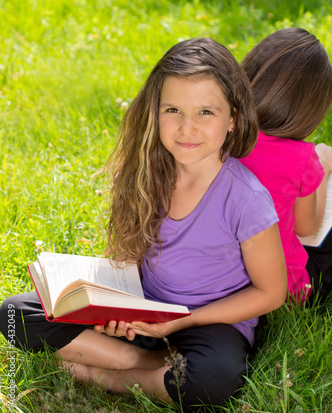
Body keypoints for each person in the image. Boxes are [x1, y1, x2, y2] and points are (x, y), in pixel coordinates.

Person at [0, 38, 287, 412]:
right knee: (11, 314)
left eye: (205, 113)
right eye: (173, 110)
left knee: (213, 380)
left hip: (210, 322)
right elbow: (129, 256)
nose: (187, 128)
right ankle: (145, 364)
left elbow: (271, 292)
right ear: (154, 111)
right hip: (147, 310)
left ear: (232, 118)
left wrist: (182, 323)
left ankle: (105, 373)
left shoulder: (246, 199)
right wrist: (115, 309)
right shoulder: (144, 174)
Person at [240, 27, 332, 303]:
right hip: (288, 287)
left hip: (229, 281)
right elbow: (307, 228)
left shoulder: (222, 136)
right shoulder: (303, 159)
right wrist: (324, 170)